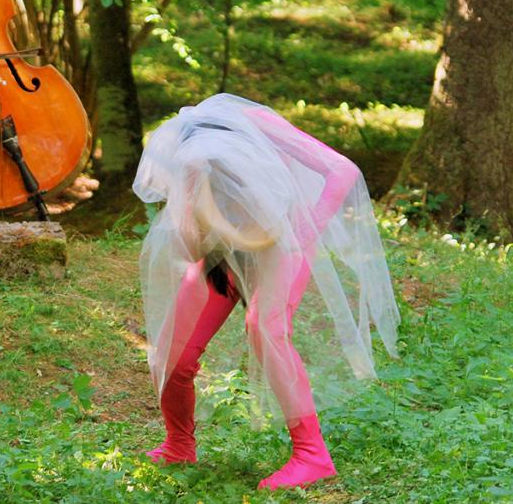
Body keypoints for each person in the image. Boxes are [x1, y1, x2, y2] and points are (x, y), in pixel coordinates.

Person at [133, 93, 400, 491]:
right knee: (173, 349)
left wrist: (304, 234)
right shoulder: (183, 150)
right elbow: (192, 247)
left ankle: (312, 455)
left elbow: (341, 170)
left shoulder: (255, 122)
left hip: (282, 241)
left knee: (265, 327)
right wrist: (192, 190)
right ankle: (178, 445)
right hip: (221, 249)